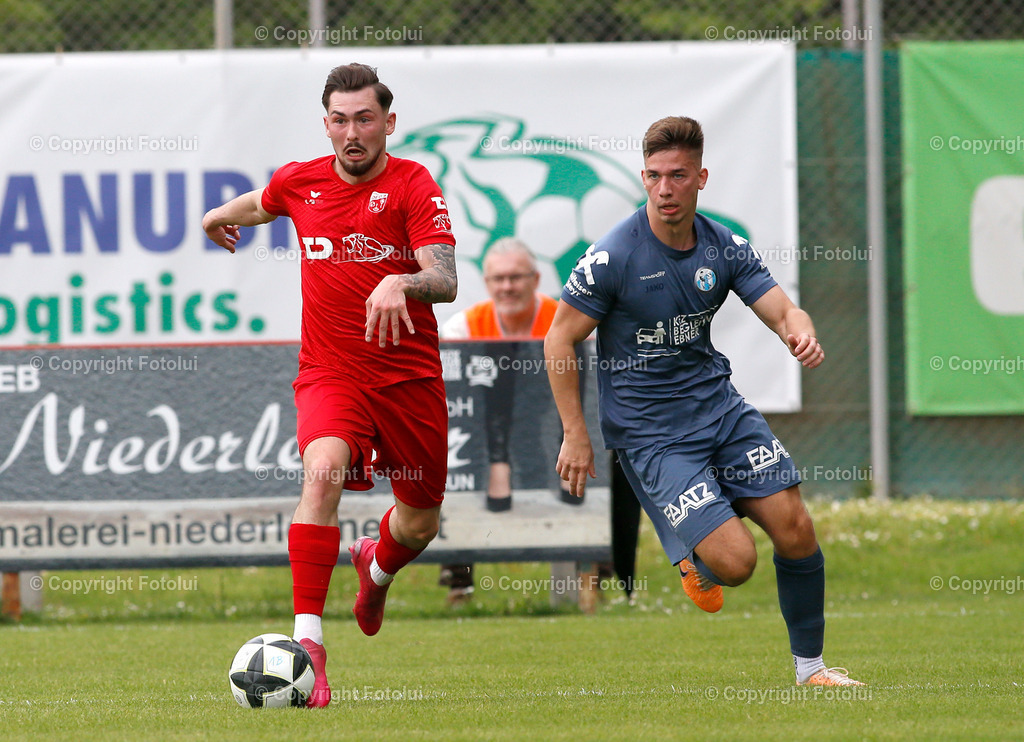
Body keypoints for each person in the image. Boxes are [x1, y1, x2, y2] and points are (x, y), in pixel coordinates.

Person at [544, 116, 864, 687]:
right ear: (643, 177)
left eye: (678, 176)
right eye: (654, 176)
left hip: (719, 410)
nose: (665, 189)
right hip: (651, 434)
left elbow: (783, 309)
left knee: (795, 526)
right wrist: (575, 431)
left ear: (701, 178)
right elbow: (560, 338)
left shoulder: (724, 246)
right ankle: (695, 549)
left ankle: (811, 670)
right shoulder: (614, 256)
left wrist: (799, 331)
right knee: (737, 564)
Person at [202, 63, 457, 708]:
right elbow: (263, 202)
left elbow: (447, 277)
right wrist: (214, 217)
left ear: (388, 124)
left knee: (421, 523)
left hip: (407, 377)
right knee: (322, 471)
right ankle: (308, 648)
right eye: (340, 120)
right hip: (331, 373)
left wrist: (401, 280)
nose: (352, 132)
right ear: (326, 124)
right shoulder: (302, 180)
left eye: (365, 119)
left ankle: (374, 568)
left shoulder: (412, 186)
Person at [439, 238, 642, 608]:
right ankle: (458, 579)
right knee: (448, 455)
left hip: (557, 431)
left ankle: (600, 572)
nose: (507, 287)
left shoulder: (564, 318)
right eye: (498, 279)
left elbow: (595, 386)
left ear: (535, 279)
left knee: (617, 456)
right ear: (486, 283)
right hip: (492, 439)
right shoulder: (463, 326)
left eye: (516, 277)